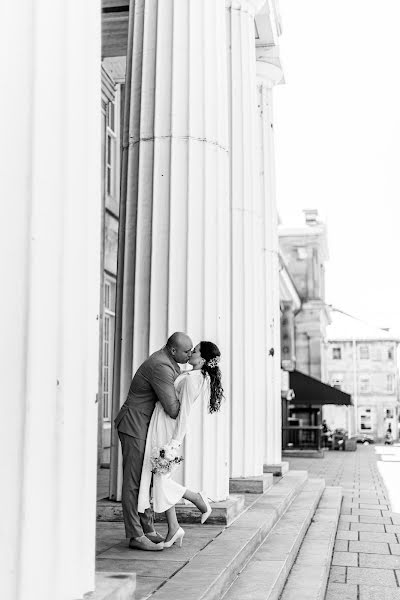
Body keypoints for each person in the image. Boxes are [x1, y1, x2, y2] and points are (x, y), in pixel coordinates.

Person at [138, 341, 223, 548]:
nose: (191, 352)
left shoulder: (194, 379)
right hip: (162, 422)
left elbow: (184, 413)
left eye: (194, 351)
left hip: (168, 427)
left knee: (160, 475)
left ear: (202, 360)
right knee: (160, 476)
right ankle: (174, 526)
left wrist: (174, 444)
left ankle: (196, 498)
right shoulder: (194, 375)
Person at [114, 332, 193, 551]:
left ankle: (147, 529)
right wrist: (189, 388)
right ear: (174, 350)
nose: (190, 354)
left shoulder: (168, 363)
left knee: (146, 479)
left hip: (144, 426)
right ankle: (135, 535)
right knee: (134, 482)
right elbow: (173, 408)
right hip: (134, 424)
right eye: (187, 351)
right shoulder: (161, 366)